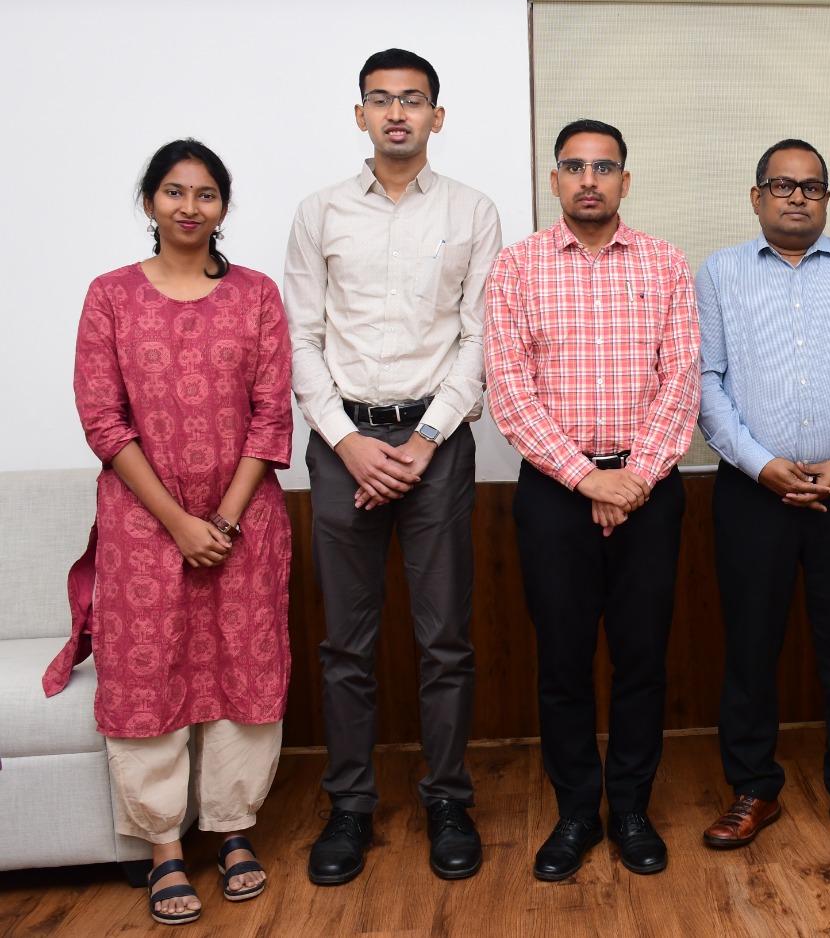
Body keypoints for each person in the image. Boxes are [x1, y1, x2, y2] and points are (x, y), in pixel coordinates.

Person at [44, 139, 292, 925]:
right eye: (174, 191)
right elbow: (102, 419)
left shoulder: (256, 295)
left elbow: (271, 414)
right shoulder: (110, 295)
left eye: (206, 193)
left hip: (243, 521)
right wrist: (180, 523)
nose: (190, 206)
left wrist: (222, 519)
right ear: (150, 201)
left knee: (244, 669)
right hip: (143, 525)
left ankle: (234, 830)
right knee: (148, 674)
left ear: (224, 207)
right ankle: (162, 847)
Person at [284, 48, 502, 883]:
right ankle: (350, 806)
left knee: (444, 640)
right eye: (381, 100)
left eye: (413, 100)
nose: (397, 113)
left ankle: (447, 798)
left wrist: (425, 439)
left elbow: (479, 337)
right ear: (361, 115)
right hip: (343, 442)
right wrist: (346, 442)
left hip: (434, 447)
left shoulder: (473, 210)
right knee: (347, 644)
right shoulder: (320, 212)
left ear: (437, 116)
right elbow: (302, 337)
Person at [485, 118, 700, 881]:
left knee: (642, 660)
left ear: (624, 181)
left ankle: (632, 809)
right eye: (574, 167)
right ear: (555, 181)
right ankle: (577, 811)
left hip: (649, 493)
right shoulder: (517, 267)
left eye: (603, 167)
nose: (588, 180)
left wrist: (632, 477)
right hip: (555, 496)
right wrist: (585, 478)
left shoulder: (666, 263)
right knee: (564, 664)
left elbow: (682, 379)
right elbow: (509, 390)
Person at [697, 139, 830, 852]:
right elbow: (706, 381)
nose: (797, 197)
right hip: (751, 492)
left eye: (811, 186)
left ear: (826, 198)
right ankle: (753, 788)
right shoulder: (719, 273)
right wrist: (762, 465)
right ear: (756, 197)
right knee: (750, 647)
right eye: (782, 185)